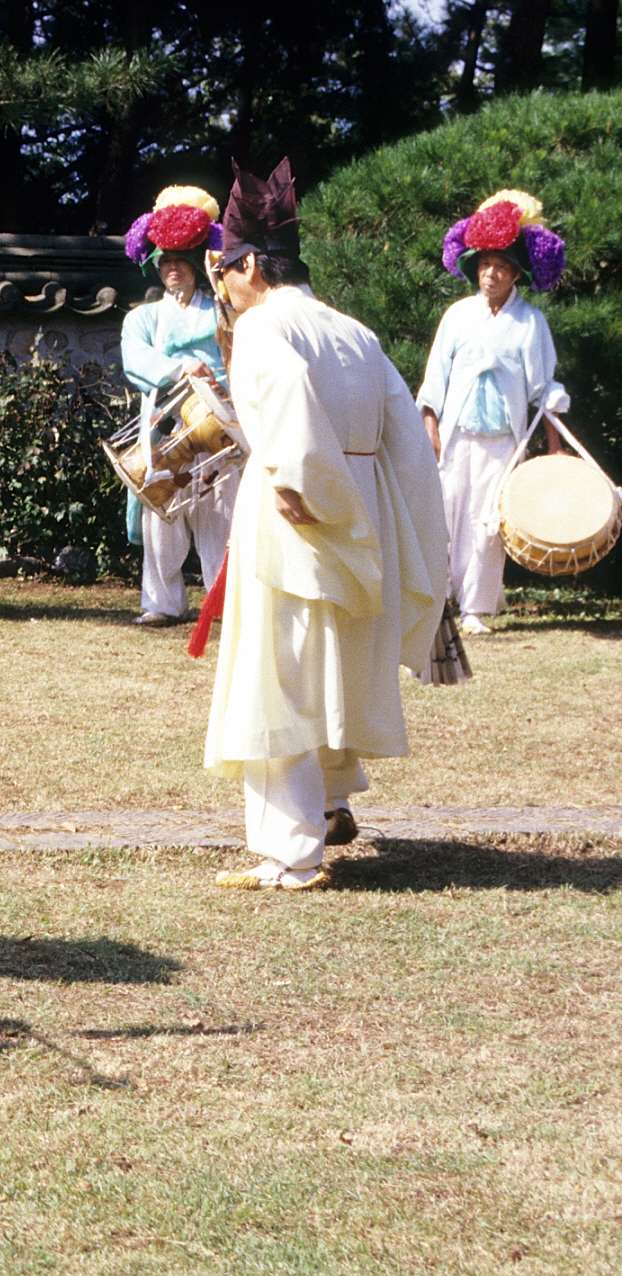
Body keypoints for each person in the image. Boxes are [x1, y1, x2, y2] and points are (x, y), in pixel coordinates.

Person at [202, 160, 447, 890]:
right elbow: (406, 438)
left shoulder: (262, 328)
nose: (223, 287)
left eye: (224, 272)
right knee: (336, 659)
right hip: (361, 502)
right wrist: (383, 519)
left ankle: (289, 850)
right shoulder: (356, 333)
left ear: (248, 265)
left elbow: (289, 418)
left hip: (298, 511)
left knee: (280, 674)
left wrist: (302, 486)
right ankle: (333, 802)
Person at [417, 190, 570, 636]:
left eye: (501, 266)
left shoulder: (530, 323)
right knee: (443, 513)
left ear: (516, 273)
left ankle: (476, 608)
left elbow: (543, 388)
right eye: (484, 264)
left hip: (503, 437)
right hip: (456, 431)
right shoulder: (457, 315)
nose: (491, 273)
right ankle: (435, 599)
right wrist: (429, 424)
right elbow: (435, 376)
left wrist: (554, 443)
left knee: (487, 522)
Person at [118, 186, 238, 626]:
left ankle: (222, 601)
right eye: (165, 261)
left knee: (219, 514)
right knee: (160, 515)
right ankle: (162, 602)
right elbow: (136, 361)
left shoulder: (223, 312)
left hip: (218, 421)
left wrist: (218, 389)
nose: (173, 269)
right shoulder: (143, 318)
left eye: (181, 261)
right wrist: (181, 368)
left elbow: (236, 358)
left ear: (196, 264)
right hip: (165, 421)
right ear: (156, 265)